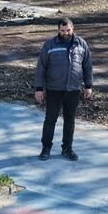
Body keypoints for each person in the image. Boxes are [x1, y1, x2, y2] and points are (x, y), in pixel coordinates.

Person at [33, 17, 93, 161]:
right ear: (58, 30)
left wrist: (88, 86)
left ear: (73, 28)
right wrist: (39, 88)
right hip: (54, 89)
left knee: (69, 120)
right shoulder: (50, 45)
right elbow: (41, 68)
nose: (65, 33)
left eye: (68, 30)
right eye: (62, 30)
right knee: (50, 120)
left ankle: (67, 149)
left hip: (73, 89)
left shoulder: (81, 44)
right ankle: (46, 148)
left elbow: (87, 66)